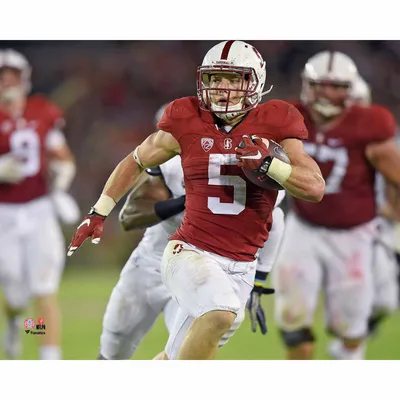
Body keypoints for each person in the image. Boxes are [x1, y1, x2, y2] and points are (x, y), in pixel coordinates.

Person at [68, 40, 325, 360]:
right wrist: (99, 212)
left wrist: (271, 164)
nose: (223, 88)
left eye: (234, 79)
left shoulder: (278, 122)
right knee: (219, 312)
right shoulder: (186, 119)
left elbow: (314, 188)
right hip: (188, 251)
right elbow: (136, 159)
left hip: (241, 266)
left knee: (177, 356)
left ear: (255, 81)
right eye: (215, 79)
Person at [98, 104, 286, 359]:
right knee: (112, 353)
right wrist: (190, 200)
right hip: (154, 264)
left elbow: (275, 218)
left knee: (183, 352)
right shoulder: (172, 165)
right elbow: (130, 216)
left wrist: (259, 282)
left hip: (207, 272)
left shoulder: (253, 167)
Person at [272, 51, 400, 360]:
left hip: (354, 234)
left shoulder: (370, 123)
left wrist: (394, 217)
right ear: (306, 85)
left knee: (350, 325)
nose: (328, 93)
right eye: (320, 85)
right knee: (292, 316)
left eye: (337, 86)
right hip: (304, 226)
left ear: (351, 89)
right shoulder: (291, 116)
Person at [0, 49, 79, 359]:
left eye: (12, 75)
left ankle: (48, 359)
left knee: (43, 288)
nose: (7, 81)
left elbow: (63, 157)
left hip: (39, 209)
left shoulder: (42, 110)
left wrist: (62, 178)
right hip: (4, 213)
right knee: (14, 288)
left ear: (24, 78)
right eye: (1, 75)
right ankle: (15, 320)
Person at [327, 75, 399, 358]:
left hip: (380, 228)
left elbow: (391, 180)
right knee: (362, 297)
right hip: (349, 230)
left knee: (386, 301)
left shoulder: (379, 137)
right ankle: (350, 352)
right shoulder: (331, 142)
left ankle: (347, 347)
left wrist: (392, 209)